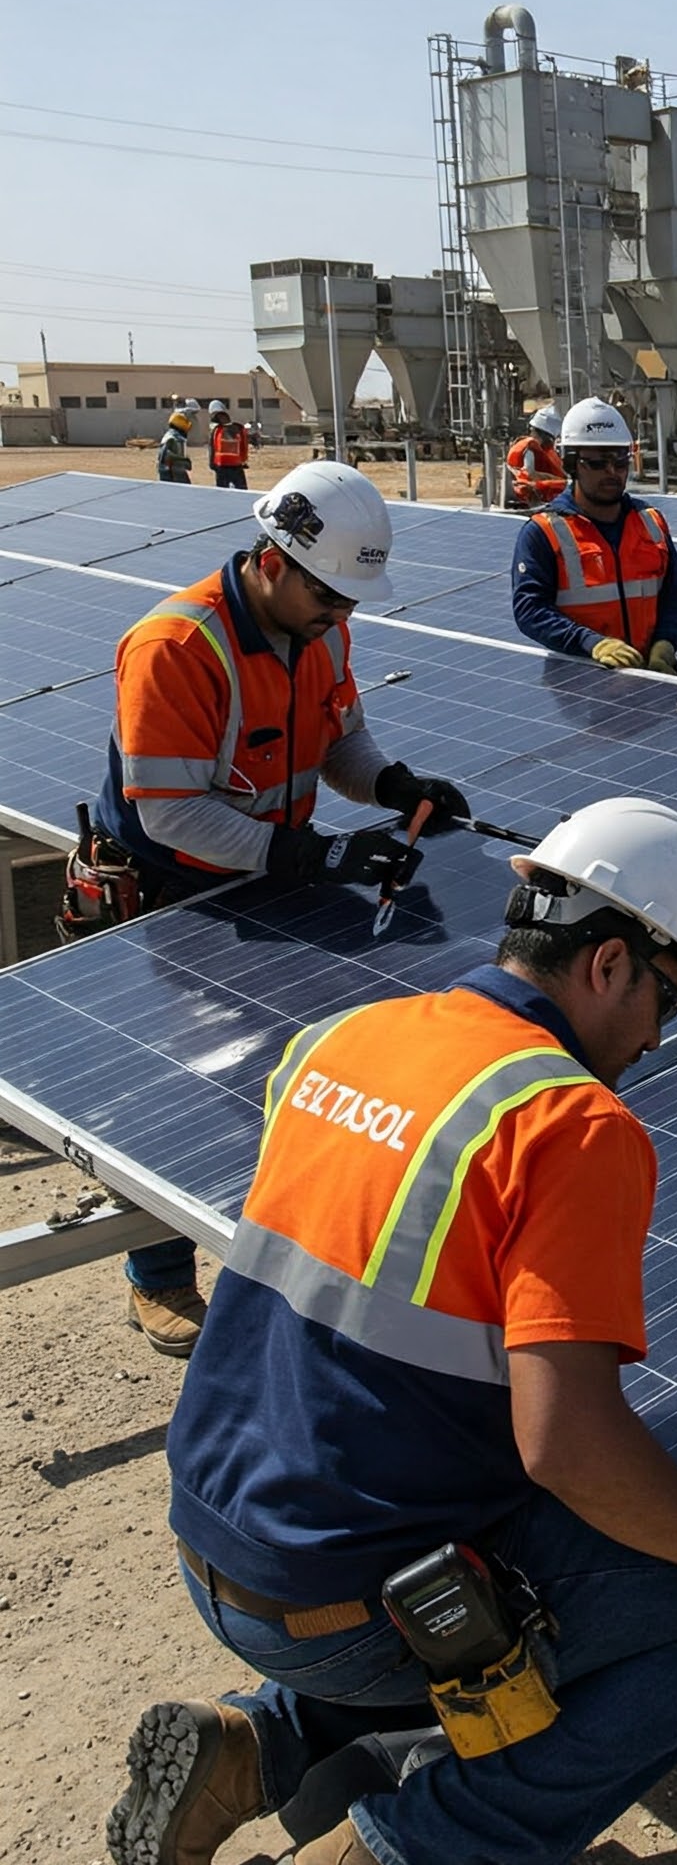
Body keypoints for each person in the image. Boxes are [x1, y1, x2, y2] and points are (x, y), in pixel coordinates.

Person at [104, 798, 677, 1865]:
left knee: (501, 1547)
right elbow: (567, 1447)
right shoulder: (568, 1123)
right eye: (665, 996)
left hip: (218, 1542)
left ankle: (253, 1747)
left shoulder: (341, 1038)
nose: (658, 1036)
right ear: (608, 962)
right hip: (343, 1602)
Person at [73, 460, 471, 1358]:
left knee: (294, 1070)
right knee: (183, 1082)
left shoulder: (320, 629)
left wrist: (393, 786)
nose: (342, 614)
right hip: (173, 893)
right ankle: (158, 1275)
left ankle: (299, 1245)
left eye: (351, 600)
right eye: (329, 595)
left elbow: (342, 743)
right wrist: (311, 854)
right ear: (272, 562)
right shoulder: (177, 647)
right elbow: (169, 812)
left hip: (267, 878)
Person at [510, 397, 677, 674]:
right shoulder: (544, 533)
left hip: (652, 675)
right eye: (597, 463)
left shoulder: (650, 521)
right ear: (572, 464)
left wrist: (666, 642)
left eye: (620, 462)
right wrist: (591, 643)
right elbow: (530, 610)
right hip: (584, 682)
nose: (612, 472)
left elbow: (675, 593)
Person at [505, 405, 566, 511]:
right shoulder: (530, 447)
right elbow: (530, 473)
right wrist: (555, 479)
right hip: (529, 489)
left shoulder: (546, 451)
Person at [207, 401, 251, 490]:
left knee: (222, 492)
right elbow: (243, 447)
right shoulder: (238, 428)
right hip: (234, 464)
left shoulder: (216, 430)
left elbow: (212, 448)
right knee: (241, 490)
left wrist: (212, 464)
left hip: (221, 465)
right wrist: (243, 460)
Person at [158, 410, 194, 485]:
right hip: (173, 474)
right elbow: (168, 457)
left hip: (170, 473)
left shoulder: (170, 436)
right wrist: (185, 461)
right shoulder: (173, 439)